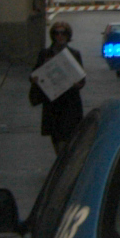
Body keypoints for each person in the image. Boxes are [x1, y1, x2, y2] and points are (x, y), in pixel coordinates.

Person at [30, 20, 87, 155]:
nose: (60, 36)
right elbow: (34, 74)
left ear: (68, 35)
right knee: (56, 137)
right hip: (53, 103)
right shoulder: (44, 54)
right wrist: (35, 78)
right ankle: (61, 161)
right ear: (53, 35)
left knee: (69, 136)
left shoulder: (74, 54)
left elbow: (82, 79)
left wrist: (77, 84)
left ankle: (64, 162)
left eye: (63, 33)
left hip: (70, 102)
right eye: (57, 33)